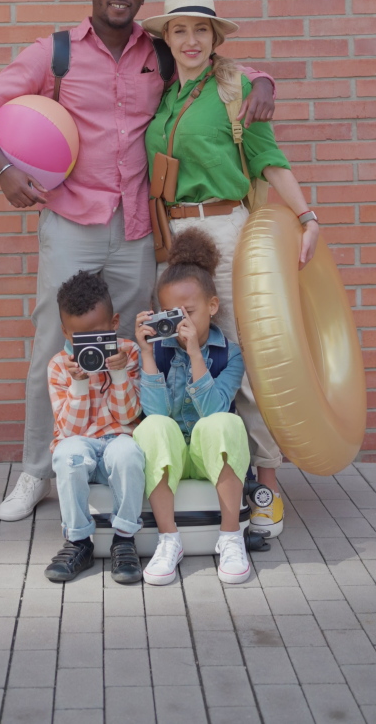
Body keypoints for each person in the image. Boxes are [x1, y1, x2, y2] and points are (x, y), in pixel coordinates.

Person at [0, 0, 275, 521]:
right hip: (71, 221)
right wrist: (3, 171)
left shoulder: (156, 52)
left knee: (132, 351)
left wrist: (263, 82)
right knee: (54, 349)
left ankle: (122, 466)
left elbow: (219, 67)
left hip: (136, 230)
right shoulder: (54, 52)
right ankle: (36, 472)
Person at [143, 0, 320, 540]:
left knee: (241, 353)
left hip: (225, 227)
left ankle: (265, 483)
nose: (190, 40)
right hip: (173, 234)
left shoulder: (236, 88)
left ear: (215, 38)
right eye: (179, 30)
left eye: (201, 30)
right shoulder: (166, 96)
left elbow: (267, 158)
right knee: (182, 350)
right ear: (167, 39)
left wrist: (307, 214)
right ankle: (200, 470)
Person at [134, 228, 251, 586]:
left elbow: (215, 409)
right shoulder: (161, 348)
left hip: (205, 455)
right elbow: (156, 416)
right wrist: (148, 355)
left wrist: (196, 355)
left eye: (191, 311)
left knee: (226, 424)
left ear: (213, 307)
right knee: (151, 428)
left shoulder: (230, 354)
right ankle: (169, 541)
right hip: (173, 456)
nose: (182, 321)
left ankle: (231, 538)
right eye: (173, 313)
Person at [44, 269, 145, 584]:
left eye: (97, 337)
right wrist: (78, 384)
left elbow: (129, 416)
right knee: (67, 455)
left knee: (130, 452)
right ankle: (78, 541)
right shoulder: (60, 365)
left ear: (114, 324)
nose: (88, 347)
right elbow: (70, 432)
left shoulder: (128, 352)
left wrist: (118, 374)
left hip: (117, 441)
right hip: (81, 444)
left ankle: (124, 539)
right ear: (65, 331)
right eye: (79, 338)